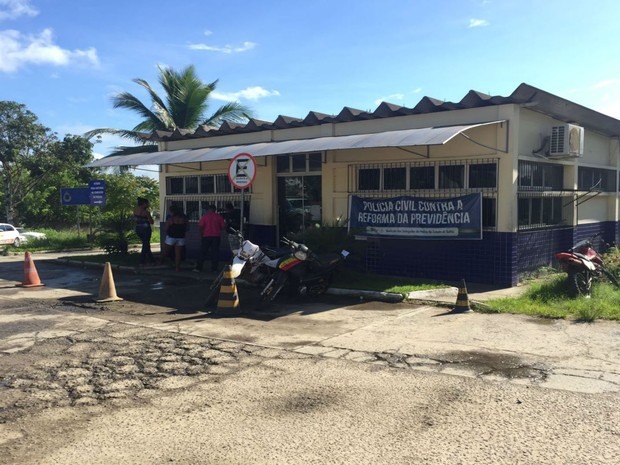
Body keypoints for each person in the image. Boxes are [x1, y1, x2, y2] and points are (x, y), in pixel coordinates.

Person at [194, 204, 225, 272]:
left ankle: (198, 268)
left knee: (203, 252)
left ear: (208, 209)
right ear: (215, 209)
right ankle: (214, 268)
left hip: (206, 236)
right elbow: (222, 227)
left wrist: (201, 234)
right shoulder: (219, 217)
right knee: (215, 253)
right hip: (216, 236)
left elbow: (201, 226)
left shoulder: (205, 216)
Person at [161, 205, 188, 272]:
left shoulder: (171, 219)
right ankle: (177, 268)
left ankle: (160, 262)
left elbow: (165, 228)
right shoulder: (184, 218)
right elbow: (187, 228)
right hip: (181, 237)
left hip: (171, 237)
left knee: (165, 251)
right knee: (178, 254)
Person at [133, 197, 155, 266]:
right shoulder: (146, 212)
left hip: (138, 229)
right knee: (145, 245)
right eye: (147, 203)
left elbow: (135, 220)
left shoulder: (135, 210)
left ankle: (151, 260)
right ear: (144, 204)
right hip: (146, 229)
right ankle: (142, 261)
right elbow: (151, 222)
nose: (148, 205)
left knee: (146, 244)